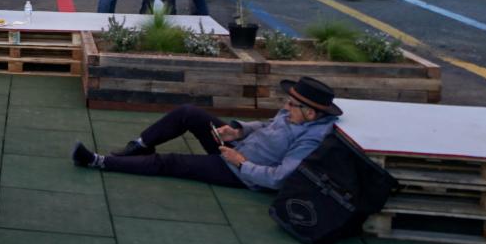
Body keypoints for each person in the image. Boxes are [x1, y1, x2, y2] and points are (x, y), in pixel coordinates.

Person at [71, 77, 342, 190]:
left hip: (239, 171)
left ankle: (99, 161)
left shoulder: (311, 139)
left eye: (293, 105)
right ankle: (140, 145)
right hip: (236, 147)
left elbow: (280, 178)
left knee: (172, 163)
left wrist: (241, 163)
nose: (286, 106)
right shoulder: (292, 113)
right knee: (188, 112)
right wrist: (237, 131)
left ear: (311, 113)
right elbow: (266, 125)